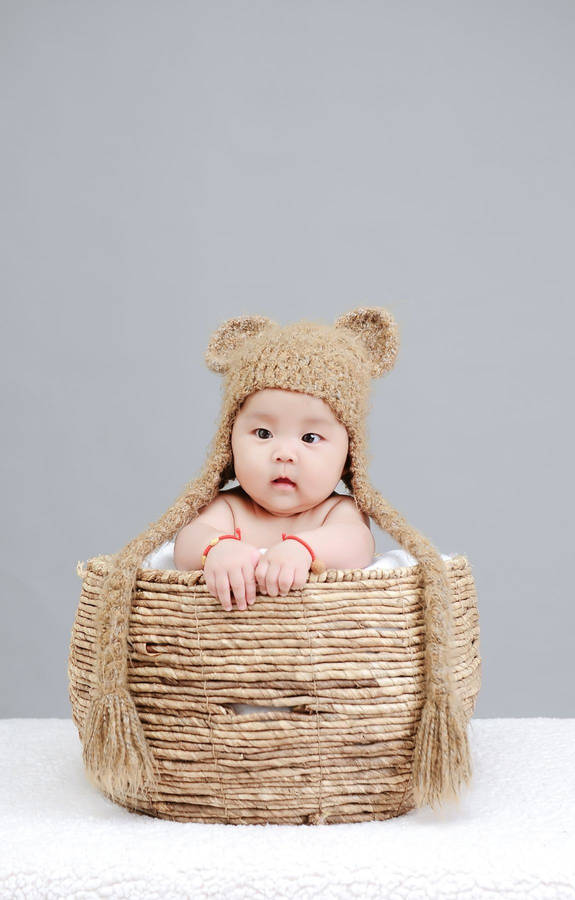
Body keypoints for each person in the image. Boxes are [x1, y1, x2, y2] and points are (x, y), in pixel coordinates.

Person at [174, 387, 375, 610]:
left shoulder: (339, 510)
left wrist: (303, 549)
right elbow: (185, 544)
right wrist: (218, 547)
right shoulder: (227, 507)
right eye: (263, 433)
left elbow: (358, 542)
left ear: (349, 458)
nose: (284, 454)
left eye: (310, 438)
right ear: (229, 445)